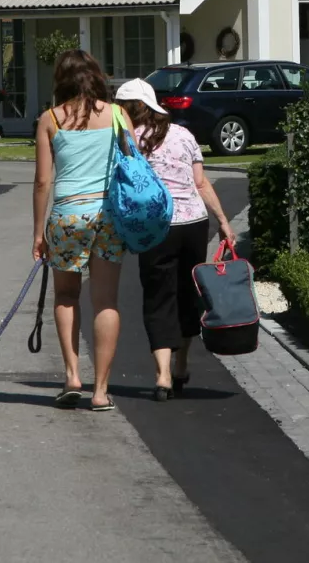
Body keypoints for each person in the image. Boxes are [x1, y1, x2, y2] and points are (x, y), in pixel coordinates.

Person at [114, 78, 237, 401]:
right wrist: (223, 221)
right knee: (187, 294)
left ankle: (163, 375)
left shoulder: (129, 141)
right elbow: (200, 183)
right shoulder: (184, 135)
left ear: (132, 109)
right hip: (194, 223)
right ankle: (182, 365)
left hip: (157, 226)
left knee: (158, 296)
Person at [33, 50, 130, 412]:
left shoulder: (50, 119)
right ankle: (101, 390)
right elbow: (134, 163)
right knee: (105, 301)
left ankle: (72, 374)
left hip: (66, 218)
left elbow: (43, 181)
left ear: (61, 79)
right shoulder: (118, 115)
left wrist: (38, 233)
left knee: (65, 296)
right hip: (107, 216)